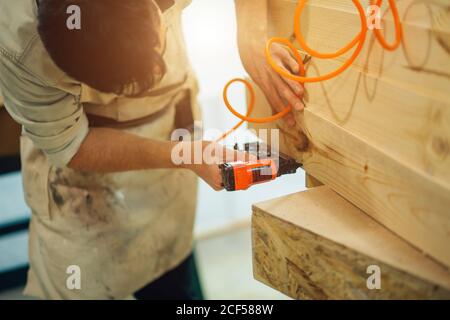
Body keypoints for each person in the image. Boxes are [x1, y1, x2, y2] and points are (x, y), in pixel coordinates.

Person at [0, 0, 304, 299]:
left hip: (170, 126)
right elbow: (73, 144)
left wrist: (251, 38)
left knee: (174, 280)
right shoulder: (16, 44)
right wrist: (183, 155)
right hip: (80, 192)